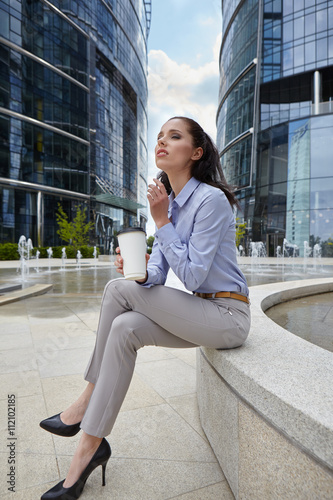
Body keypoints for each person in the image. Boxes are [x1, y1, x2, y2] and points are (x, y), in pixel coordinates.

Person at [39, 116, 251, 500]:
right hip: (199, 315)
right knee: (124, 328)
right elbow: (157, 273)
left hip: (227, 317)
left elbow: (194, 278)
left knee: (115, 292)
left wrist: (161, 222)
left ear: (196, 152)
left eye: (174, 136)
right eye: (159, 137)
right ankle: (89, 449)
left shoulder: (210, 200)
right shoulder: (167, 204)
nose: (162, 142)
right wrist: (136, 272)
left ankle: (85, 401)